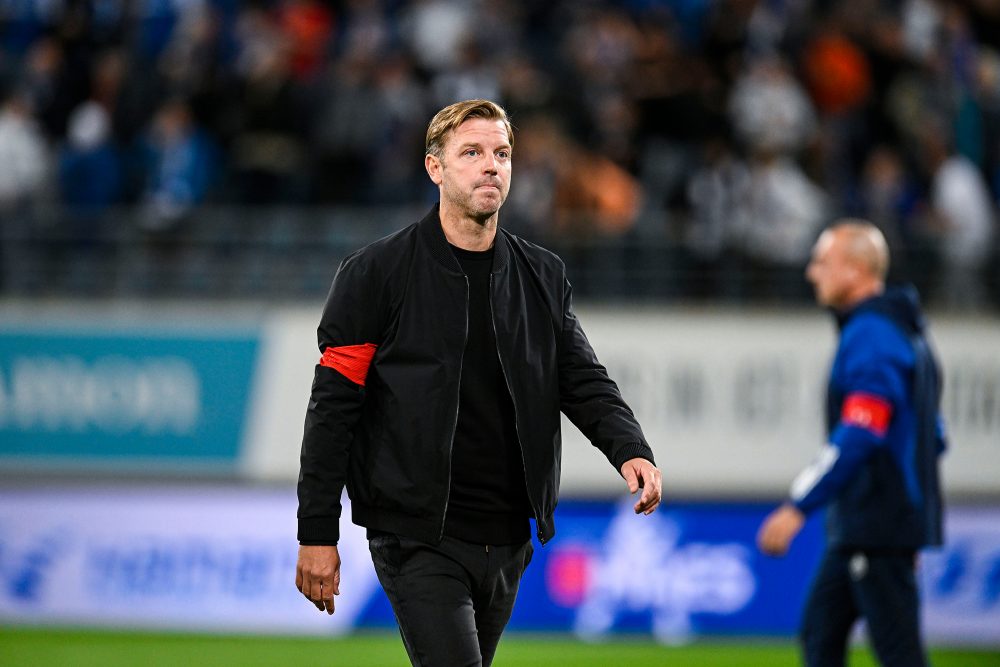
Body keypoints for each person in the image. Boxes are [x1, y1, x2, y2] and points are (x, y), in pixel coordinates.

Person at [295, 99, 662, 667]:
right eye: (472, 153)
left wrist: (630, 447)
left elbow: (582, 378)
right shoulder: (375, 273)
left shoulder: (543, 275)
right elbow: (333, 409)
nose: (491, 166)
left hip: (509, 537)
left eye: (502, 154)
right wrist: (316, 531)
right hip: (417, 535)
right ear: (434, 168)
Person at [757, 220, 946, 667]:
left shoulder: (871, 336)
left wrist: (798, 504)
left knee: (898, 654)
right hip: (868, 526)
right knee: (820, 635)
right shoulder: (905, 332)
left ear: (856, 271)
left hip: (876, 524)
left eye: (822, 262)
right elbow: (933, 436)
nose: (811, 272)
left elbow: (861, 431)